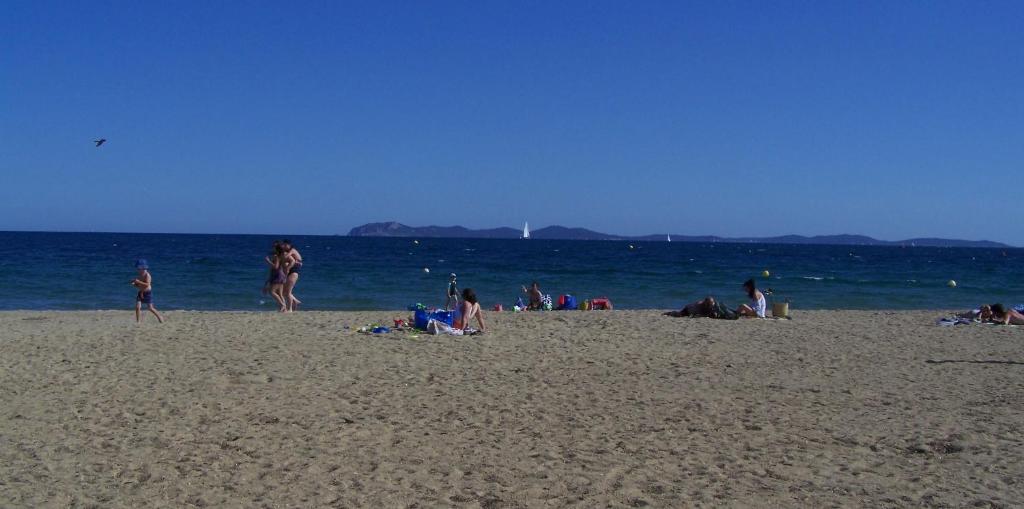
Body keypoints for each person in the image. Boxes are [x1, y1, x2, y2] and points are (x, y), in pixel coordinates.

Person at [264, 243, 288, 312]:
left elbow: (275, 267)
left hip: (277, 275)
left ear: (276, 249)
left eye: (274, 247)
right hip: (281, 275)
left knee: (272, 292)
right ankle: (284, 309)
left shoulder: (277, 256)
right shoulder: (281, 256)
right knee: (280, 294)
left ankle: (282, 305)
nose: (273, 248)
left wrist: (268, 261)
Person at [281, 239, 302, 312]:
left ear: (289, 245)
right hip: (292, 269)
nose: (284, 246)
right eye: (283, 245)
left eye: (286, 245)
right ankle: (295, 300)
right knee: (285, 291)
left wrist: (281, 255)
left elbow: (287, 256)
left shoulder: (292, 250)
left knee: (288, 292)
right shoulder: (288, 251)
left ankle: (290, 308)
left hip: (295, 269)